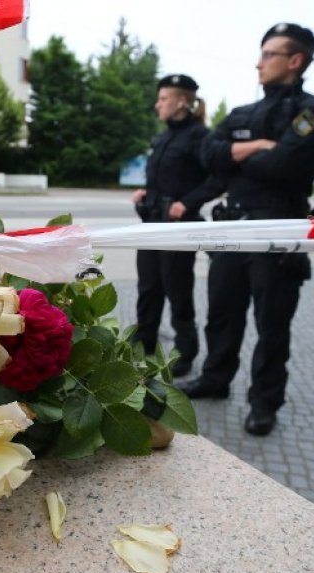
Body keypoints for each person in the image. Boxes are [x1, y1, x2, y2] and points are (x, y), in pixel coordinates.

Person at [181, 23, 314, 436]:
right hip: (233, 229)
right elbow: (209, 156)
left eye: (269, 55)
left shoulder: (312, 113)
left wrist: (238, 156)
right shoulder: (241, 115)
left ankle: (264, 402)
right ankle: (216, 378)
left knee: (272, 325)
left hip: (279, 231)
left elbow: (287, 165)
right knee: (222, 314)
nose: (259, 63)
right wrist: (257, 147)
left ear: (295, 60)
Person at [131, 74, 224, 377]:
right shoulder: (161, 137)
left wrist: (189, 202)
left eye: (163, 99)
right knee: (148, 288)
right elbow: (161, 177)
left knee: (178, 291)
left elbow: (218, 179)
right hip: (151, 223)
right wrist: (145, 193)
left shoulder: (201, 137)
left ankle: (185, 351)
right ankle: (143, 342)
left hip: (178, 227)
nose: (157, 105)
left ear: (182, 101)